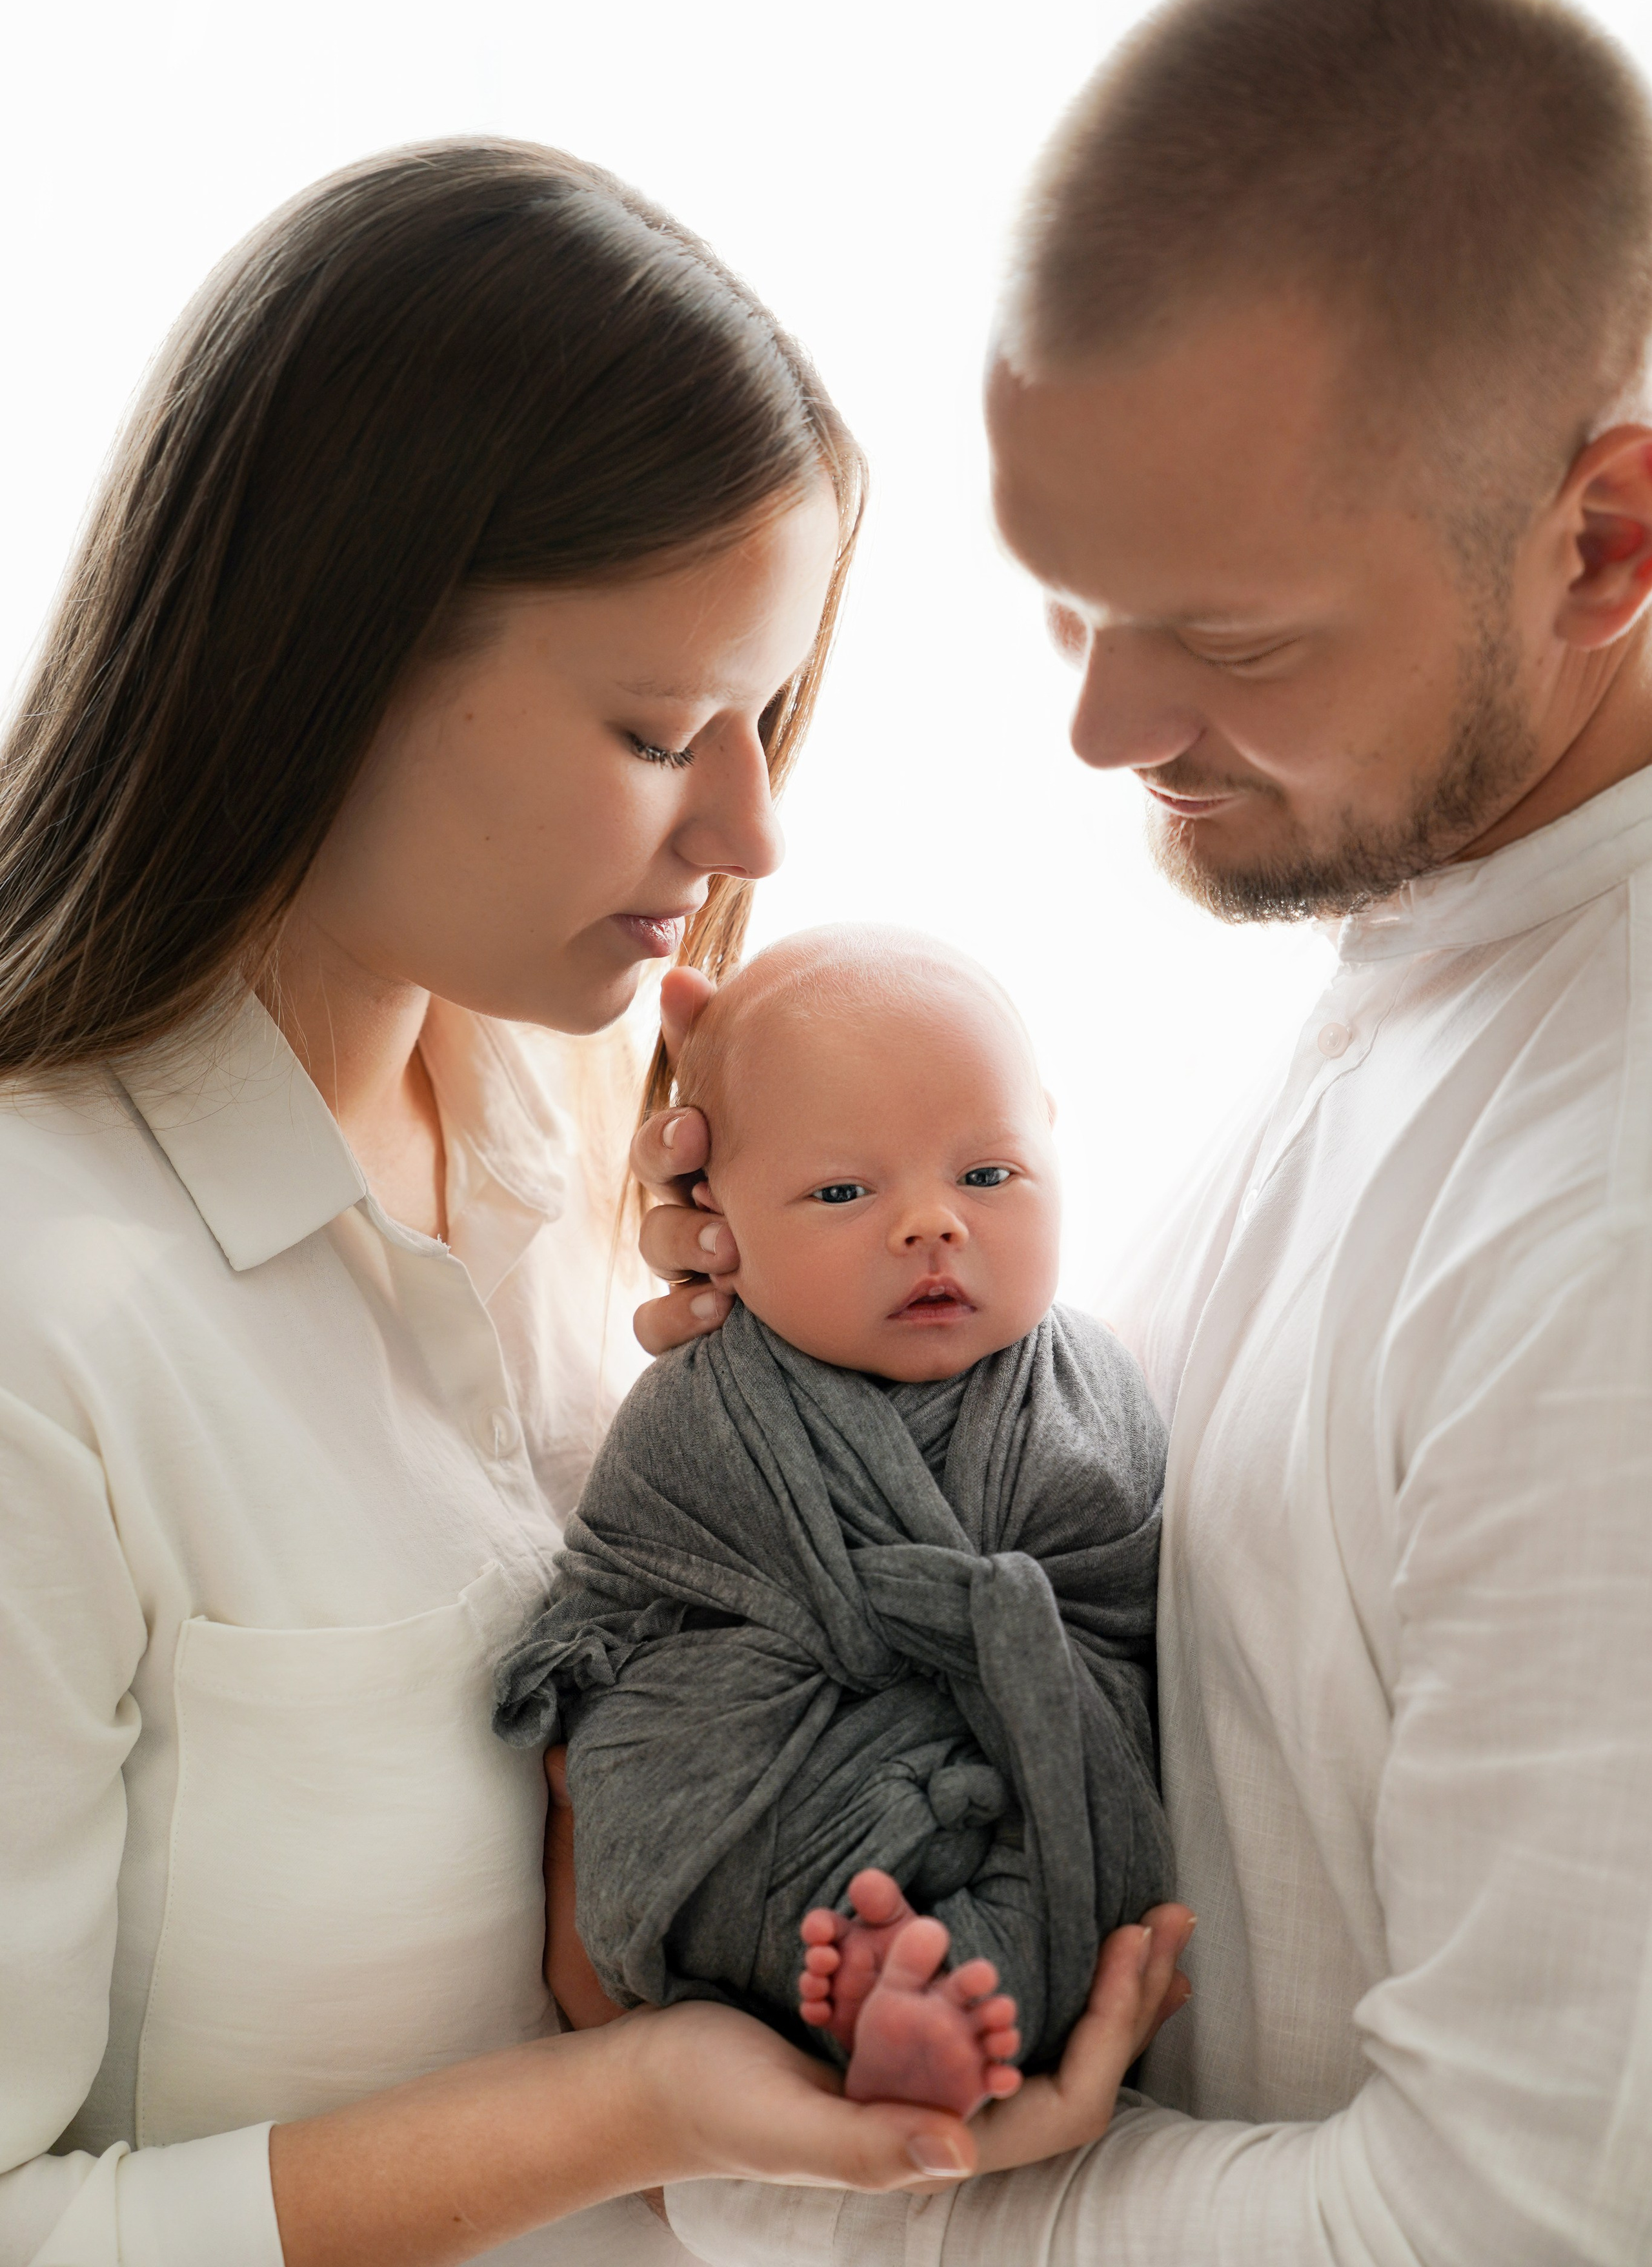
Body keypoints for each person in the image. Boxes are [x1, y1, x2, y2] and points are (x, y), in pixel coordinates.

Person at [0, 139, 1191, 2267]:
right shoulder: (51, 1311)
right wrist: (631, 2103)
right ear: (328, 651)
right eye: (662, 729)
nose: (747, 818)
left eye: (771, 716)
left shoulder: (622, 1170)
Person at [634, 0, 1652, 2264]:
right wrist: (829, 1384)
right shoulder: (1434, 923)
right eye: (1066, 598)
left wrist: (769, 2191)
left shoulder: (1608, 1223)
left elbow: (1506, 2229)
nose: (1103, 730)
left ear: (1607, 541)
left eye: (1239, 633)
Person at [493, 926, 1173, 2114]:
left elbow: (1113, 1606)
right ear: (719, 1226)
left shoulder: (1091, 1387)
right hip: (772, 1759)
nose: (931, 1224)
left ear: (1056, 1148)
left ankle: (930, 2000)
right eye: (845, 1192)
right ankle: (870, 1983)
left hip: (1007, 1742)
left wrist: (1003, 1659)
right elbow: (617, 1592)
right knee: (667, 1774)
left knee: (1068, 1825)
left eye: (987, 1175)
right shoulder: (700, 1402)